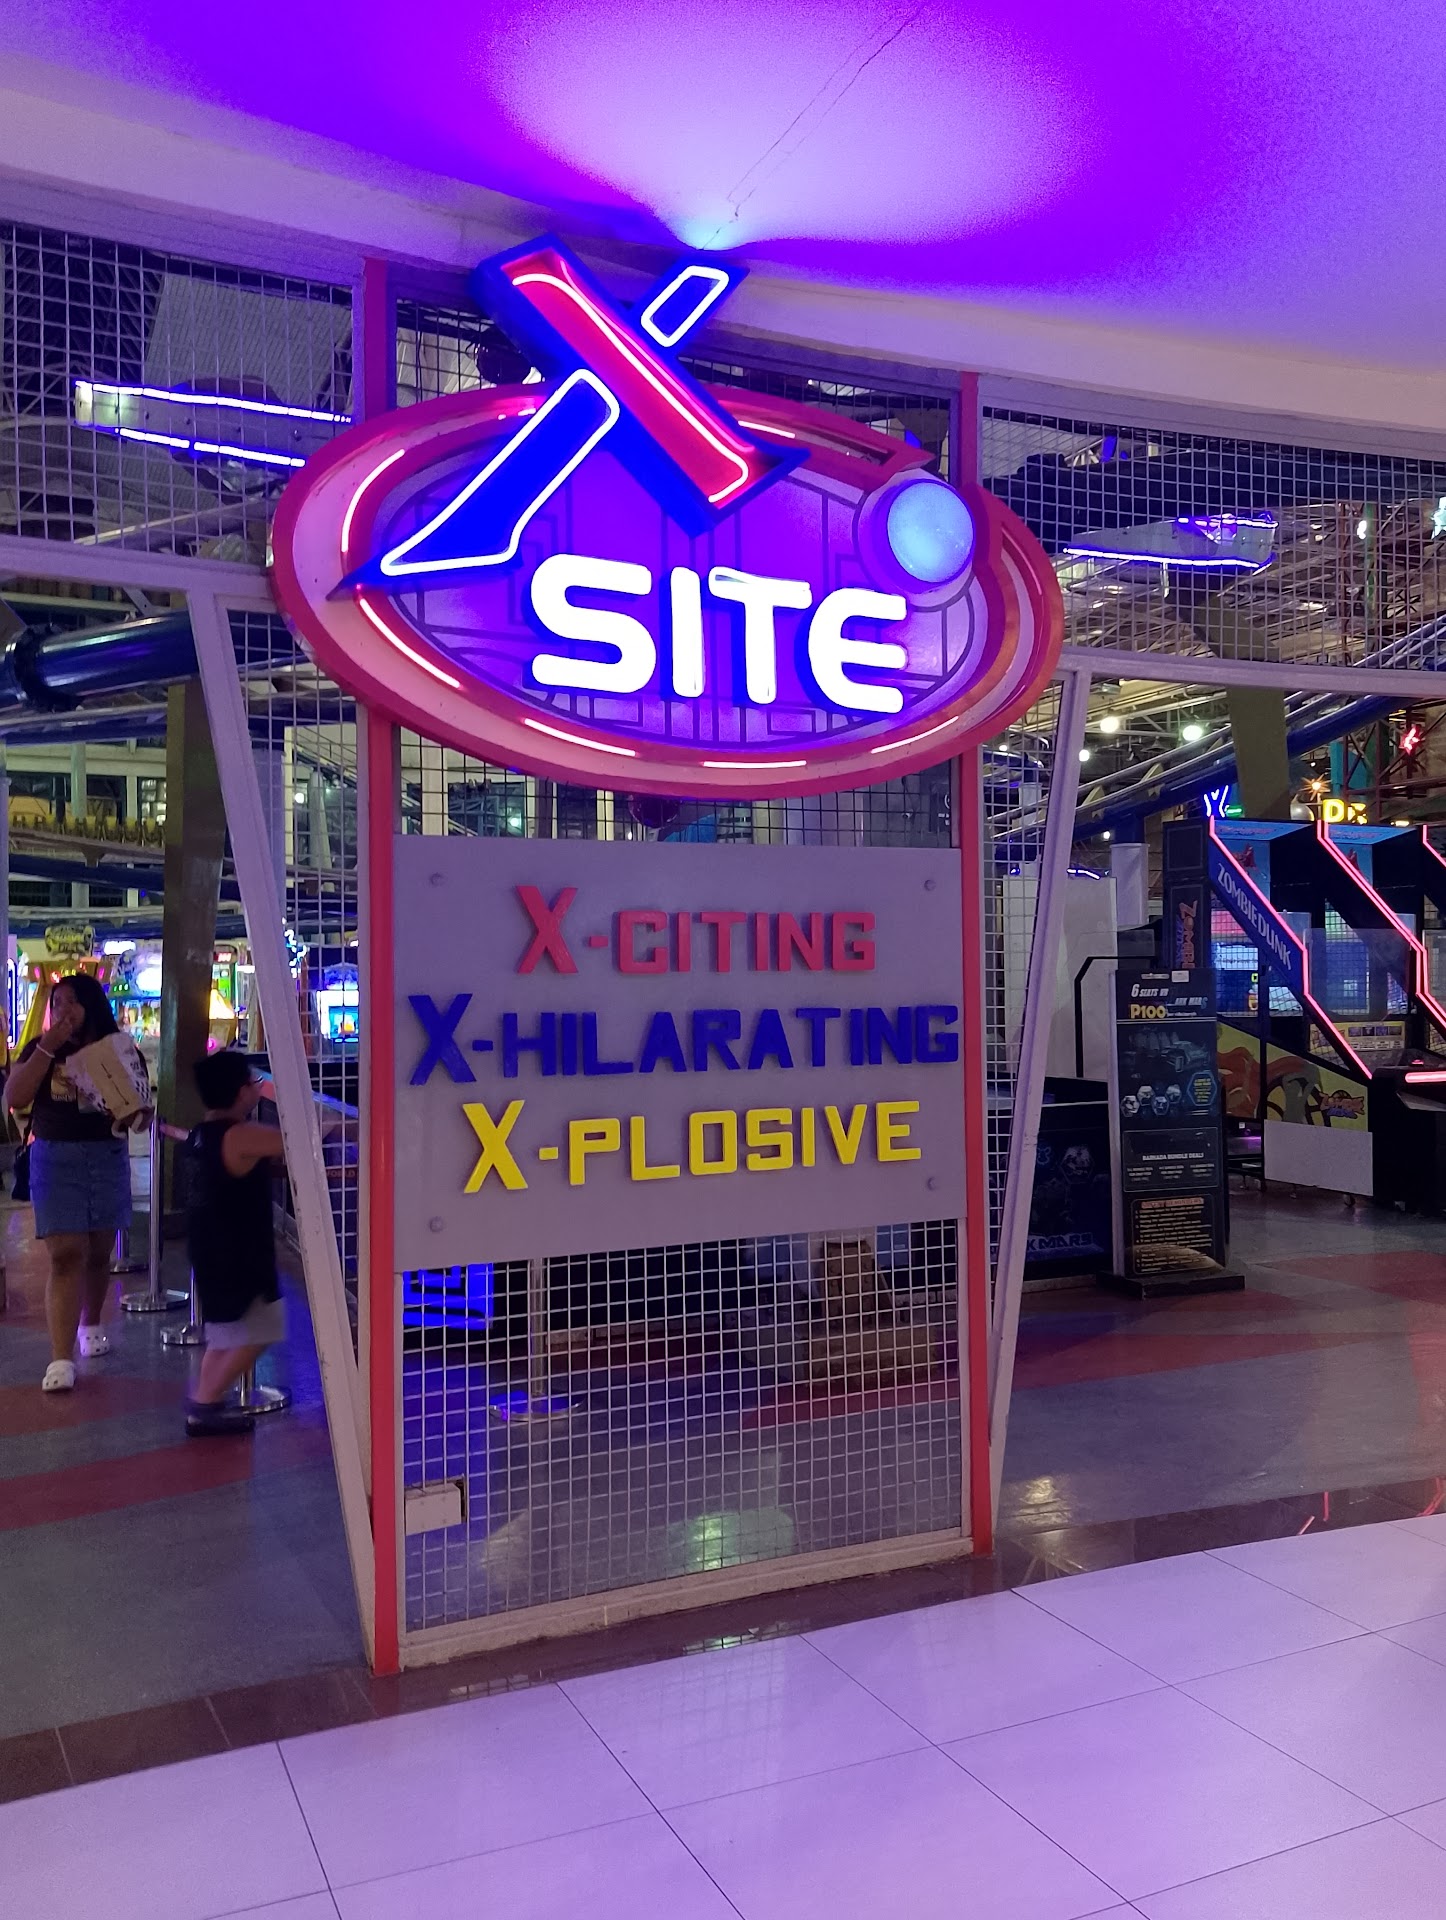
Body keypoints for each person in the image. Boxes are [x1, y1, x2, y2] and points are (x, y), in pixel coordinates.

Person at [4, 973, 138, 1392]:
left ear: (91, 1006)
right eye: (57, 1002)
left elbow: (136, 1106)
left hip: (106, 1155)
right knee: (64, 1255)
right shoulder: (39, 1048)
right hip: (56, 1157)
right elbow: (15, 1097)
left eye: (72, 1002)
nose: (63, 1010)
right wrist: (47, 1046)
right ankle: (61, 1358)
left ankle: (91, 1324)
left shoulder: (118, 1047)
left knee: (99, 1250)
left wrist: (133, 1111)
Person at [184, 1049, 286, 1437]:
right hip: (239, 1253)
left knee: (224, 1336)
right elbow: (300, 1139)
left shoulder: (199, 1134)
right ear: (242, 1091)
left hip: (209, 1247)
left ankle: (203, 1406)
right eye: (253, 1083)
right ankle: (205, 1401)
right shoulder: (240, 1135)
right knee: (264, 1329)